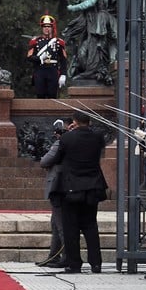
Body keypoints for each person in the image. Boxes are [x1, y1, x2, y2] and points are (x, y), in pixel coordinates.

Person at [54, 110, 108, 273]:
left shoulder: (66, 138)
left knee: (71, 228)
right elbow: (99, 136)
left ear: (74, 122)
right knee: (91, 225)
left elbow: (58, 158)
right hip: (92, 186)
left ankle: (74, 263)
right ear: (89, 122)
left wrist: (70, 131)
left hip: (71, 187)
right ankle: (96, 263)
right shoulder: (97, 137)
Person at [39, 118, 68, 266]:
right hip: (65, 186)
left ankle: (66, 256)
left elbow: (45, 161)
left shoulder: (61, 143)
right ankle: (54, 255)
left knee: (60, 223)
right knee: (56, 223)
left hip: (58, 186)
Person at [26, 14, 68, 98]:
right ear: (42, 28)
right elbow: (29, 57)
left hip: (53, 71)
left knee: (52, 95)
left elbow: (63, 60)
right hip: (40, 71)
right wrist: (39, 58)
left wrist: (63, 74)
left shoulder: (59, 42)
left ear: (52, 28)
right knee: (40, 95)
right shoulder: (35, 41)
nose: (46, 28)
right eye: (44, 26)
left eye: (49, 26)